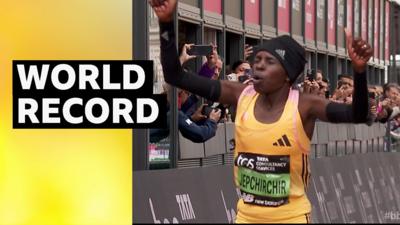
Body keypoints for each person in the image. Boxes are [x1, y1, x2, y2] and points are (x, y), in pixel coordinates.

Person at [149, 0, 372, 222]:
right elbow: (175, 76)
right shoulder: (239, 94)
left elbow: (358, 114)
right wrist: (166, 23)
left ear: (287, 74)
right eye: (257, 60)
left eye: (269, 61)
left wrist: (360, 72)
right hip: (247, 216)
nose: (259, 66)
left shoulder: (305, 105)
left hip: (290, 217)